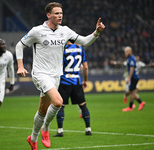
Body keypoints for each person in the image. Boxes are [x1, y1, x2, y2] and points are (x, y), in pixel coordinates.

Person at [15, 2, 105, 150]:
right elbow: (20, 45)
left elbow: (84, 41)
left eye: (61, 13)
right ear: (48, 15)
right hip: (41, 74)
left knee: (42, 110)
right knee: (58, 102)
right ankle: (45, 129)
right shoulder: (37, 31)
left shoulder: (65, 31)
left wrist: (97, 32)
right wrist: (20, 65)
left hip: (56, 76)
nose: (60, 16)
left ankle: (33, 138)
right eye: (56, 13)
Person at [53, 41, 91, 137]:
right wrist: (85, 80)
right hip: (77, 81)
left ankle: (60, 131)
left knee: (61, 105)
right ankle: (88, 129)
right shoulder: (80, 49)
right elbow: (85, 67)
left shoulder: (63, 49)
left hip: (65, 81)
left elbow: (58, 66)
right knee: (82, 105)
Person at [122, 46, 145, 112]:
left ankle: (138, 103)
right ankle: (133, 106)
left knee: (132, 92)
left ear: (130, 51)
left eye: (126, 52)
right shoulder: (130, 58)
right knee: (132, 92)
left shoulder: (131, 58)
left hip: (134, 77)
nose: (125, 53)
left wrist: (129, 78)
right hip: (135, 77)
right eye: (125, 52)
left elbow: (132, 68)